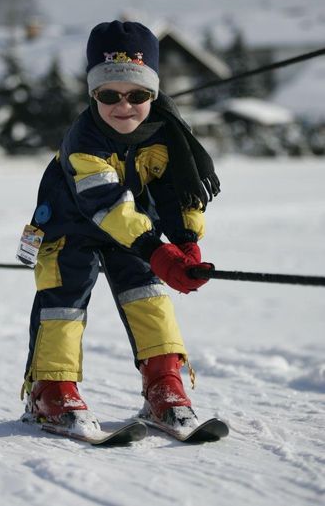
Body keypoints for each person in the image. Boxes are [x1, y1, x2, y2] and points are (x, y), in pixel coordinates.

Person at [19, 21, 220, 433]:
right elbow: (105, 205)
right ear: (92, 94)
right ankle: (52, 390)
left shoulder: (167, 134)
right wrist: (157, 250)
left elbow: (177, 193)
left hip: (134, 229)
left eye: (139, 95)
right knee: (64, 301)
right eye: (109, 95)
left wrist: (185, 244)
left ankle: (164, 383)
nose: (123, 106)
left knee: (148, 294)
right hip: (70, 227)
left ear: (154, 93)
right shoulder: (84, 140)